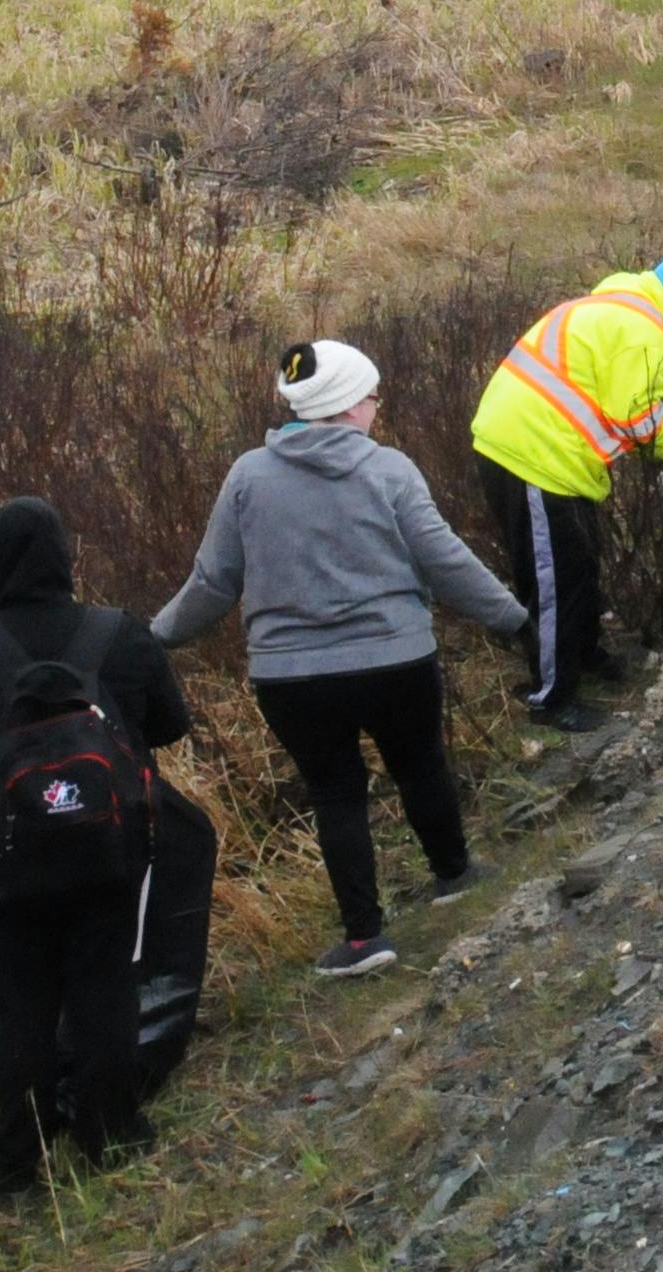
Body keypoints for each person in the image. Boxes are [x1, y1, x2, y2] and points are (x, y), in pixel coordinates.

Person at [154, 341, 524, 979]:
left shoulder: (247, 476)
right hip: (397, 662)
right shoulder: (390, 471)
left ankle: (363, 939)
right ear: (352, 404)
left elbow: (214, 583)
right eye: (374, 396)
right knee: (421, 765)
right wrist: (513, 617)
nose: (378, 408)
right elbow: (445, 562)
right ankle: (455, 874)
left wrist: (154, 637)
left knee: (335, 794)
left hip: (291, 679)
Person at [0, 495, 193, 1198]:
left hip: (4, 865)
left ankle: (18, 1152)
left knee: (20, 998)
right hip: (111, 849)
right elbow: (170, 726)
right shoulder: (120, 637)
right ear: (67, 559)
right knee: (106, 986)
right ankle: (108, 1133)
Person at [468, 250, 663, 726]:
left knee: (576, 566)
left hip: (539, 452)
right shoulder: (641, 332)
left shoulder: (615, 310)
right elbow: (637, 416)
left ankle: (581, 655)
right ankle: (551, 699)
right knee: (556, 581)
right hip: (533, 456)